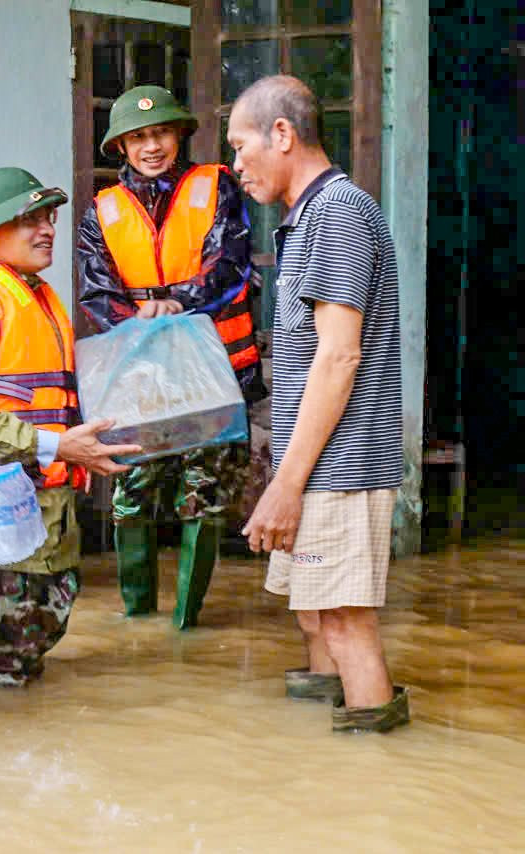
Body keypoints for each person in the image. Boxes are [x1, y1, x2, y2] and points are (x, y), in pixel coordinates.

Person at [229, 75, 408, 732]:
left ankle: (375, 755)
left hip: (338, 464)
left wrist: (287, 483)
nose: (236, 165)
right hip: (317, 465)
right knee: (314, 610)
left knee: (342, 615)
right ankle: (320, 767)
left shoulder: (335, 212)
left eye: (240, 145)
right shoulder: (311, 217)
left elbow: (340, 356)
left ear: (282, 134)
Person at [0, 168, 140, 687]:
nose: (48, 230)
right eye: (29, 220)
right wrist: (57, 445)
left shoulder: (32, 295)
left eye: (49, 218)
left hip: (42, 522)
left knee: (25, 670)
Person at [76, 84, 263, 629]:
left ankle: (188, 623)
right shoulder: (102, 211)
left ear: (179, 134)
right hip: (142, 377)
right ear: (122, 148)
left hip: (216, 371)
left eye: (159, 133)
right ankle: (137, 615)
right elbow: (96, 293)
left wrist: (177, 304)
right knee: (130, 495)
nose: (150, 146)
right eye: (137, 138)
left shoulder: (217, 187)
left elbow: (230, 267)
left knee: (203, 500)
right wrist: (140, 324)